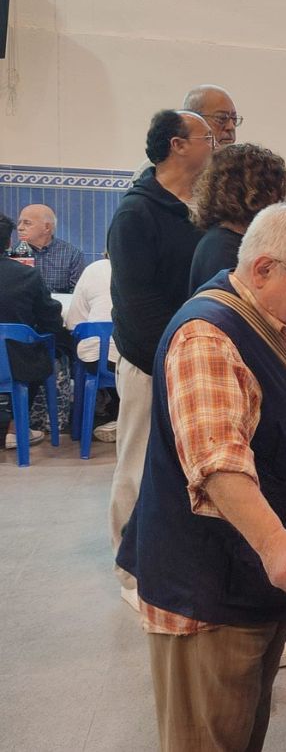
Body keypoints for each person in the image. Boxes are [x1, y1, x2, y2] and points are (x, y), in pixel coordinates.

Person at [115, 203, 286, 752]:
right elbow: (217, 462)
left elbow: (274, 403)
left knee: (243, 727)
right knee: (210, 736)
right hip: (210, 588)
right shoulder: (208, 337)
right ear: (263, 269)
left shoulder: (271, 315)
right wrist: (274, 539)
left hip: (253, 578)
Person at [108, 110, 213, 601]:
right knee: (137, 463)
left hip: (189, 357)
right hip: (150, 360)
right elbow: (138, 302)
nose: (216, 141)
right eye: (207, 135)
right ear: (178, 145)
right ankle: (130, 571)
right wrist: (170, 359)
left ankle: (167, 560)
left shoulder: (198, 205)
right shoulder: (137, 212)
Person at [0, 214, 74, 450]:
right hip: (13, 365)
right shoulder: (25, 275)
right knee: (39, 350)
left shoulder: (67, 253)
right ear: (8, 244)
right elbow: (50, 316)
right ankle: (15, 427)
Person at [188, 143, 286, 293]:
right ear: (255, 192)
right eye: (272, 190)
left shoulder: (227, 240)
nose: (278, 200)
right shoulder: (223, 248)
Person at [65, 255, 120, 441]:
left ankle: (95, 418)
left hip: (98, 360)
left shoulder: (94, 269)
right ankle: (122, 416)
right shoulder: (154, 269)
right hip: (142, 360)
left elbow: (74, 323)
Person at [133, 85, 240, 178]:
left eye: (234, 119)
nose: (231, 126)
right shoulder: (154, 171)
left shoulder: (238, 170)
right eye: (221, 118)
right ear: (194, 118)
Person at [14, 204, 85, 293]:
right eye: (19, 222)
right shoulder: (13, 253)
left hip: (60, 305)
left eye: (27, 223)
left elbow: (77, 293)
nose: (19, 228)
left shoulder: (71, 254)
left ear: (47, 227)